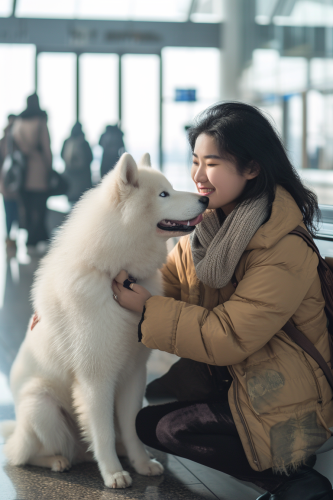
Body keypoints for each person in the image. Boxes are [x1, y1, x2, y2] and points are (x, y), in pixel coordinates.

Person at [112, 102, 333, 500]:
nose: (198, 176)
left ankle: (296, 479)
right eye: (195, 161)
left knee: (165, 428)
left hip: (289, 401)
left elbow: (228, 335)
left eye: (212, 163)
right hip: (236, 381)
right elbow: (162, 284)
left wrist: (148, 308)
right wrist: (77, 303)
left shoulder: (282, 246)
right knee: (147, 420)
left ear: (252, 168)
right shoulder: (205, 232)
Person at [12, 93, 52, 248]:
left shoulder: (19, 122)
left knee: (27, 207)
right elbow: (46, 148)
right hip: (38, 169)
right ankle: (38, 237)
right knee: (40, 206)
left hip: (22, 171)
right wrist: (49, 168)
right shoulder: (40, 121)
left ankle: (30, 237)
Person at [61, 122, 92, 204]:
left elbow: (62, 155)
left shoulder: (67, 141)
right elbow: (90, 158)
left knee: (70, 203)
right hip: (82, 178)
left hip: (70, 176)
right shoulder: (84, 143)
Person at [0, 114, 19, 251]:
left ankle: (11, 237)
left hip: (13, 182)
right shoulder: (4, 142)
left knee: (13, 211)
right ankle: (9, 237)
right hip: (8, 181)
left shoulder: (16, 142)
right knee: (11, 211)